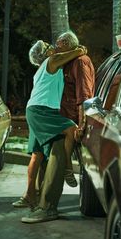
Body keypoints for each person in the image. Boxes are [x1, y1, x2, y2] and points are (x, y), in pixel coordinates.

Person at [20, 30, 95, 223]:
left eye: (59, 43)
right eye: (53, 45)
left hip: (52, 114)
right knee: (46, 156)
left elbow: (84, 94)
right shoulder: (57, 62)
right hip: (46, 112)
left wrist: (83, 120)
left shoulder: (78, 61)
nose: (55, 46)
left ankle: (44, 205)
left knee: (47, 156)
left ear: (67, 43)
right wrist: (78, 50)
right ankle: (41, 202)